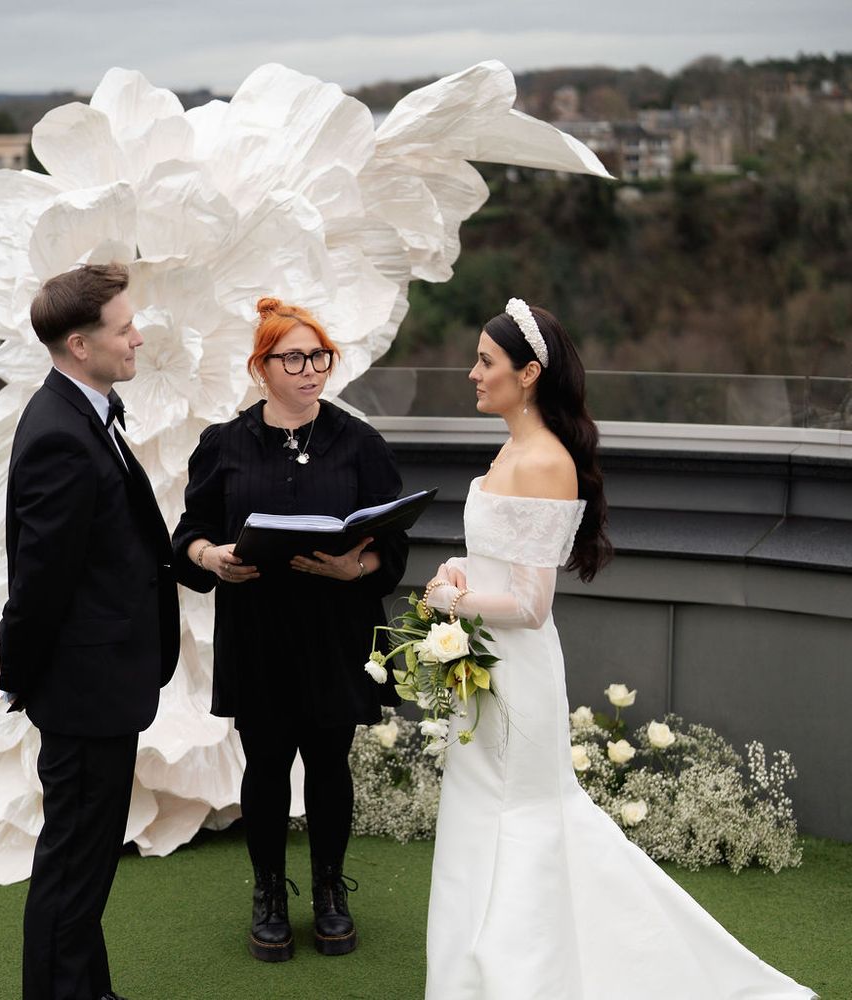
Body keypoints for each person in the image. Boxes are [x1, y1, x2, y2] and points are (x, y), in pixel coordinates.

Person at [422, 299, 817, 999]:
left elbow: (530, 603)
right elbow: (501, 560)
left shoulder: (544, 460)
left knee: (526, 817)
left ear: (530, 373)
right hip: (480, 663)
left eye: (486, 361)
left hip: (515, 675)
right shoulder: (512, 446)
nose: (472, 373)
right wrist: (457, 570)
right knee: (481, 809)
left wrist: (446, 604)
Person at [172, 296, 407, 962]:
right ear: (261, 366)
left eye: (320, 357)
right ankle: (269, 895)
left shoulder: (359, 442)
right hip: (259, 628)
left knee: (330, 763)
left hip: (337, 627)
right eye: (295, 358)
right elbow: (187, 535)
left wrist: (353, 565)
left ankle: (331, 892)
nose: (311, 371)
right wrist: (211, 557)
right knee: (268, 765)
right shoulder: (225, 443)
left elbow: (392, 544)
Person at [0, 263, 180, 1000]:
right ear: (77, 345)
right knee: (71, 865)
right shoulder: (60, 432)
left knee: (87, 863)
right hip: (86, 690)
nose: (137, 337)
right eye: (123, 329)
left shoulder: (88, 409)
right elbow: (41, 579)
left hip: (99, 680)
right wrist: (21, 665)